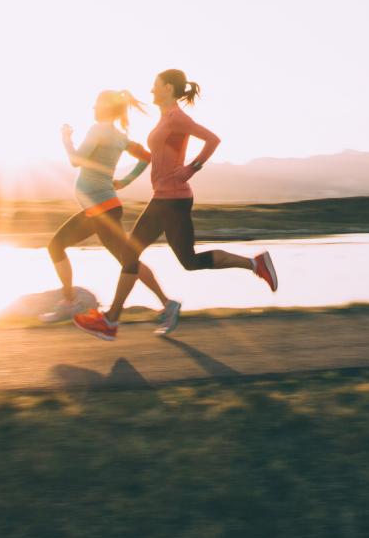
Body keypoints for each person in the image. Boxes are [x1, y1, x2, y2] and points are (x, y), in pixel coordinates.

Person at [74, 70, 277, 340]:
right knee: (188, 260)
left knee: (133, 254)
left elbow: (213, 139)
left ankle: (111, 320)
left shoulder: (178, 118)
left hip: (173, 199)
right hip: (165, 197)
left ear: (168, 88)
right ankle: (255, 264)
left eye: (155, 86)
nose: (151, 91)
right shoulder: (164, 118)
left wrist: (192, 168)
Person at [41, 89, 181, 334]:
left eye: (95, 104)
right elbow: (147, 157)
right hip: (99, 209)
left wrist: (66, 139)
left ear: (104, 108)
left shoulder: (99, 131)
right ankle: (70, 301)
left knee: (125, 261)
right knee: (122, 259)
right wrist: (125, 181)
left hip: (102, 210)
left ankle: (166, 304)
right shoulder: (119, 136)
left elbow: (76, 161)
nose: (93, 109)